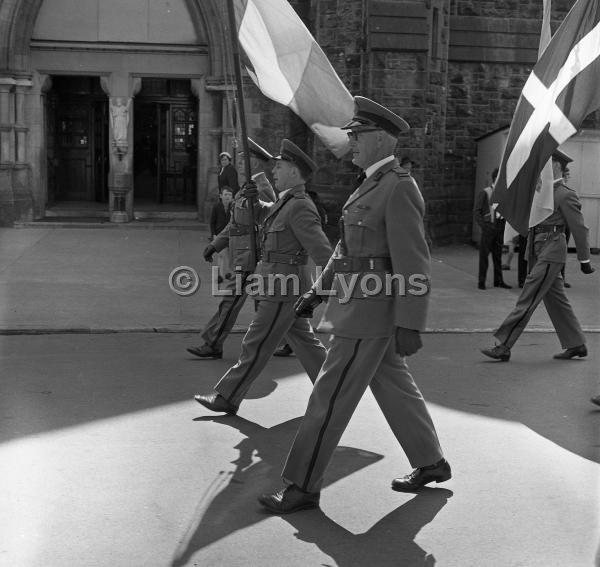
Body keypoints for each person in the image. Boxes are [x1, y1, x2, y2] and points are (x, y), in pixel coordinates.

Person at [258, 96, 450, 515]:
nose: (352, 144)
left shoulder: (398, 187)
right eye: (352, 136)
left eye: (358, 136)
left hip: (370, 312)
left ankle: (302, 486)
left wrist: (411, 322)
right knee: (395, 386)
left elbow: (413, 261)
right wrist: (318, 290)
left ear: (381, 139)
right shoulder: (369, 184)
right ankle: (431, 462)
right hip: (356, 303)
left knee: (328, 398)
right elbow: (347, 250)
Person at [194, 139, 333, 414]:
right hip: (277, 284)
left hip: (283, 288)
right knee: (304, 342)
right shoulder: (286, 202)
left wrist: (323, 291)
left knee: (255, 343)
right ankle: (336, 389)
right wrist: (252, 199)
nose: (274, 172)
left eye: (280, 167)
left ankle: (227, 397)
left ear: (294, 172)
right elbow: (264, 217)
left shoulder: (301, 205)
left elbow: (324, 253)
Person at [481, 150, 595, 362]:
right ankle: (576, 344)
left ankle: (504, 345)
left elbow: (579, 228)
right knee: (556, 300)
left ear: (558, 166)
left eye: (547, 163)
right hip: (538, 248)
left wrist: (584, 259)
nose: (542, 168)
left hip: (552, 249)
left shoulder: (564, 193)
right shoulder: (541, 190)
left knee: (528, 296)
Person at [187, 138, 276, 359]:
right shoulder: (243, 189)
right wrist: (214, 245)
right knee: (266, 305)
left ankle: (213, 343)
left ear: (255, 162)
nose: (240, 161)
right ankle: (288, 339)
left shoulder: (261, 188)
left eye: (244, 157)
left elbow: (272, 218)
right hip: (243, 256)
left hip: (254, 257)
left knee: (234, 302)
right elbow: (234, 224)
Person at [474, 168, 511, 290]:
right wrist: (485, 226)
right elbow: (477, 211)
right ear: (497, 179)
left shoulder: (504, 193)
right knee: (484, 256)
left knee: (498, 256)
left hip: (500, 226)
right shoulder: (485, 192)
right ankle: (481, 281)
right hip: (489, 227)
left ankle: (498, 280)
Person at [209, 186, 234, 283]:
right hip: (220, 234)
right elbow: (212, 222)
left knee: (229, 254)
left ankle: (228, 272)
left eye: (230, 195)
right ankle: (220, 275)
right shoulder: (216, 207)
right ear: (221, 196)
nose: (227, 197)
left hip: (231, 234)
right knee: (221, 255)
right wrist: (213, 234)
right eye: (225, 194)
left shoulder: (234, 206)